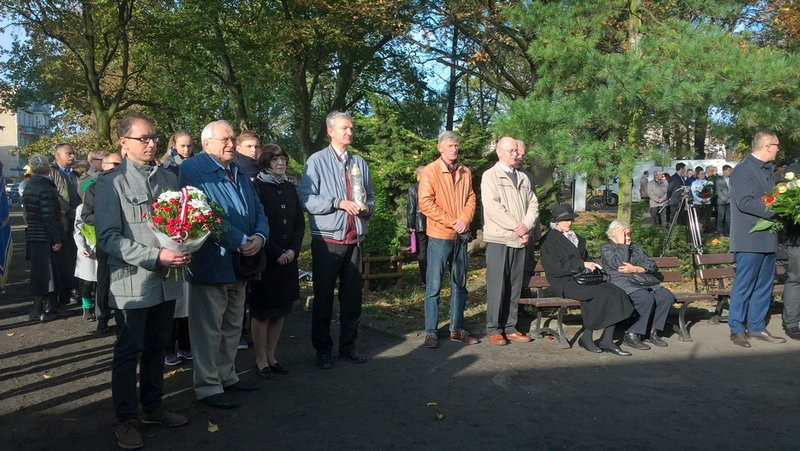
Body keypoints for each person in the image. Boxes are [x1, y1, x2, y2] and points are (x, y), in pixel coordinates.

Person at [95, 114, 189, 449]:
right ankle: (126, 419)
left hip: (166, 281)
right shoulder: (111, 183)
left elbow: (181, 225)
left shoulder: (169, 179)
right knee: (128, 351)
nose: (151, 143)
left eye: (154, 137)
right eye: (143, 138)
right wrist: (155, 256)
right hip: (132, 284)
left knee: (157, 346)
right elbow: (108, 238)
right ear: (123, 142)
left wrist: (185, 247)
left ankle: (152, 407)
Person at [179, 119, 268, 408]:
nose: (231, 144)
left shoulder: (238, 170)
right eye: (224, 140)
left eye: (232, 139)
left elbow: (259, 209)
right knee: (208, 329)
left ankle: (227, 375)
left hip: (242, 262)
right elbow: (202, 213)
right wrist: (239, 239)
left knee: (232, 324)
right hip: (212, 262)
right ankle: (208, 386)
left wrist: (260, 236)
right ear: (206, 144)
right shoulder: (193, 169)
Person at [299, 111, 374, 369]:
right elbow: (306, 199)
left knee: (352, 298)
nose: (350, 132)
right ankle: (323, 350)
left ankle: (348, 346)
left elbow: (370, 197)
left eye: (351, 128)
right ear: (330, 131)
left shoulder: (359, 162)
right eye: (344, 128)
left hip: (354, 238)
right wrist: (337, 203)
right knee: (324, 298)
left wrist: (368, 208)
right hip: (328, 240)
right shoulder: (317, 161)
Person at [540, 205, 634, 356]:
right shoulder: (549, 240)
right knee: (598, 295)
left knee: (616, 292)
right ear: (556, 221)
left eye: (570, 219)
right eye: (565, 220)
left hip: (583, 279)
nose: (569, 223)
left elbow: (585, 257)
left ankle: (607, 340)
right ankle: (587, 337)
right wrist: (581, 265)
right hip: (564, 281)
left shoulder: (575, 237)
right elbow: (553, 267)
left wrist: (592, 264)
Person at [418, 131, 479, 348]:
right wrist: (452, 221)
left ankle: (456, 329)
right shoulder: (430, 171)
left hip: (460, 237)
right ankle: (431, 332)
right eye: (450, 145)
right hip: (439, 236)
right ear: (440, 148)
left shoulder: (465, 171)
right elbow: (426, 203)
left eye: (456, 145)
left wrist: (464, 219)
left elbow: (471, 197)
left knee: (459, 285)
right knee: (434, 285)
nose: (454, 149)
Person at [249, 143, 305, 377]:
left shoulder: (290, 188)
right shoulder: (257, 187)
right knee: (263, 312)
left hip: (288, 260)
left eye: (283, 159)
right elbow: (256, 222)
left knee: (281, 310)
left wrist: (293, 250)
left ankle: (272, 356)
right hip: (266, 260)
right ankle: (260, 359)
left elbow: (299, 223)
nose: (281, 163)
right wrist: (276, 252)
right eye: (275, 159)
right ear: (265, 162)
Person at [728, 130, 786, 347]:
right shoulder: (743, 170)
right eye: (777, 145)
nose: (778, 149)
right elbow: (745, 202)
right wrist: (778, 209)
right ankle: (737, 329)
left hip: (767, 237)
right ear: (767, 146)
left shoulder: (767, 169)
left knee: (764, 286)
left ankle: (756, 327)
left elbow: (767, 198)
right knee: (744, 285)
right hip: (749, 239)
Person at [480, 137, 538, 345]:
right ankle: (494, 329)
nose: (516, 154)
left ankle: (511, 327)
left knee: (514, 285)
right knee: (498, 285)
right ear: (500, 152)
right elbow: (493, 208)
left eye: (516, 150)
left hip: (519, 238)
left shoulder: (523, 177)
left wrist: (526, 225)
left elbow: (533, 204)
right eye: (512, 150)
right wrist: (517, 227)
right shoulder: (490, 176)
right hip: (499, 238)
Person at [601, 221, 673, 350]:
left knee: (666, 296)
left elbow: (650, 264)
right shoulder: (607, 248)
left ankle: (652, 331)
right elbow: (620, 264)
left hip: (640, 280)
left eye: (629, 234)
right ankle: (632, 334)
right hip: (620, 282)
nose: (628, 237)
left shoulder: (635, 247)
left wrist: (637, 269)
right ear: (613, 235)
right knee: (644, 298)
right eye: (624, 234)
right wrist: (622, 244)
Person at [81, 152, 123, 333]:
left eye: (120, 164)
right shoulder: (94, 188)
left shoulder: (126, 185)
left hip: (126, 242)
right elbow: (86, 216)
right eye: (114, 164)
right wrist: (107, 220)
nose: (118, 168)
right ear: (104, 166)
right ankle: (102, 317)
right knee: (104, 281)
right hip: (105, 241)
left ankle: (123, 318)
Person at [21, 154, 66, 321]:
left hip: (35, 233)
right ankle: (37, 310)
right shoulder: (46, 187)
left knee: (47, 272)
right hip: (45, 235)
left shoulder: (30, 185)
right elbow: (48, 216)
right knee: (45, 273)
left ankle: (51, 306)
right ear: (47, 168)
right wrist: (56, 238)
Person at [50, 143, 81, 307]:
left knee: (76, 256)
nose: (72, 156)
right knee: (63, 259)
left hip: (77, 222)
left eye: (73, 153)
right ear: (57, 156)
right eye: (68, 153)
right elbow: (53, 195)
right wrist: (69, 211)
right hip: (62, 222)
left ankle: (75, 288)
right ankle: (64, 292)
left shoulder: (76, 174)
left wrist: (80, 210)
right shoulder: (52, 172)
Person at [515, 139, 539, 297]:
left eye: (523, 155)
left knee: (526, 265)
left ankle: (524, 295)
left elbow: (533, 204)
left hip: (527, 229)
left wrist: (534, 231)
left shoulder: (528, 176)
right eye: (518, 154)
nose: (520, 158)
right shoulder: (494, 175)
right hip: (507, 231)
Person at [781, 157, 800, 340]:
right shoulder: (793, 170)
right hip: (797, 238)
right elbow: (785, 205)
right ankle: (792, 322)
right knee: (796, 279)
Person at [407, 166, 428, 284]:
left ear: (418, 175)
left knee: (422, 252)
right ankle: (433, 277)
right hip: (432, 223)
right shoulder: (431, 186)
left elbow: (411, 209)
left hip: (419, 224)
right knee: (432, 251)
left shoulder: (413, 188)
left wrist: (410, 226)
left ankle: (425, 278)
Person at [715, 165, 732, 235]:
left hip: (730, 201)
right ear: (724, 171)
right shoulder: (719, 180)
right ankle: (720, 231)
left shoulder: (732, 179)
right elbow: (718, 192)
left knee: (728, 218)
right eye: (729, 170)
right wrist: (725, 200)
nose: (730, 171)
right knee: (721, 217)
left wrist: (730, 199)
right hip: (721, 202)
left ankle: (727, 231)